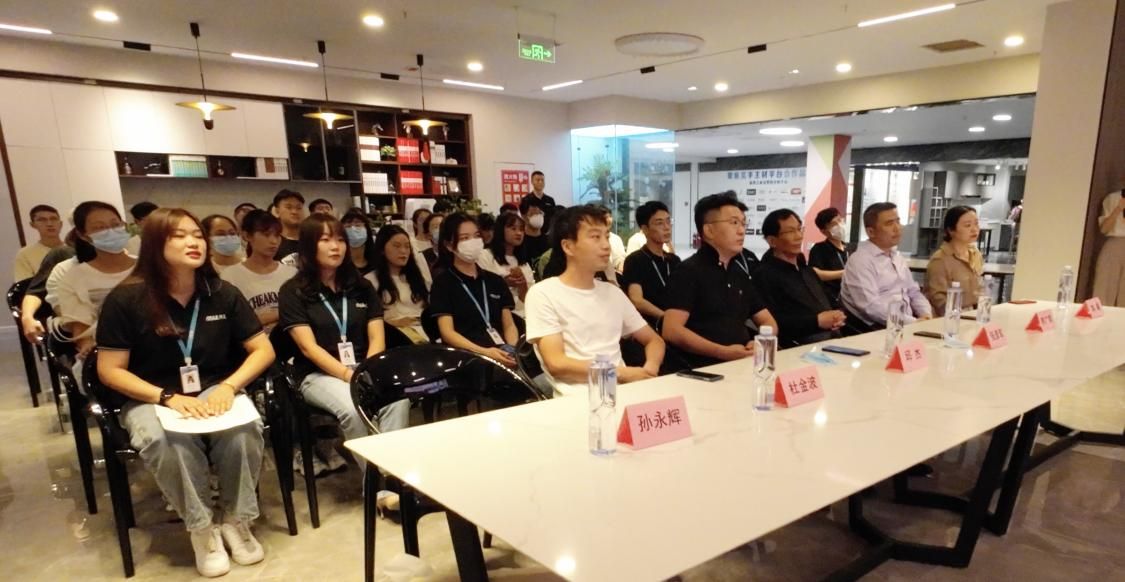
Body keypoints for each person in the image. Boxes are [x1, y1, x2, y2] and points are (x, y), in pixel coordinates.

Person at [96, 207, 275, 577]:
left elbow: (263, 349)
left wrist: (229, 386)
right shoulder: (126, 299)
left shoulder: (222, 293)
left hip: (215, 390)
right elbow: (109, 370)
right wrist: (167, 398)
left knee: (244, 431)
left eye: (197, 235)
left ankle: (236, 521)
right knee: (167, 441)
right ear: (154, 243)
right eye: (179, 235)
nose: (193, 242)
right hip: (152, 396)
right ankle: (202, 529)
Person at [278, 214, 410, 461]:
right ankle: (374, 478)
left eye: (340, 240)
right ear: (308, 245)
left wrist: (367, 371)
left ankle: (392, 469)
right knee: (353, 407)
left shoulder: (361, 287)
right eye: (325, 240)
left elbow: (377, 336)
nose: (335, 246)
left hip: (363, 366)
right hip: (317, 373)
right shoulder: (293, 291)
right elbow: (308, 348)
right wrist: (350, 376)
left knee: (397, 398)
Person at [526, 206, 664, 396]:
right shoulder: (543, 293)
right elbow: (556, 364)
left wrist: (649, 371)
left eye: (606, 236)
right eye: (595, 237)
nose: (606, 245)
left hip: (625, 393)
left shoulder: (612, 293)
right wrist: (621, 374)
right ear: (568, 246)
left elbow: (654, 340)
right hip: (577, 401)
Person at [663, 193, 777, 369]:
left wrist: (759, 342)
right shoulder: (688, 271)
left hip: (742, 363)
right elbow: (671, 330)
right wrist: (723, 352)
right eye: (734, 223)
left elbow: (768, 321)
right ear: (709, 231)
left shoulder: (739, 273)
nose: (741, 231)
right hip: (703, 369)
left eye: (743, 223)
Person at [428, 213, 519, 366]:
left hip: (503, 355)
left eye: (476, 236)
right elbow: (447, 333)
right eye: (464, 238)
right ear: (449, 245)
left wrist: (512, 349)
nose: (473, 242)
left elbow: (509, 325)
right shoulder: (443, 284)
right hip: (466, 358)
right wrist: (484, 352)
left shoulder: (495, 280)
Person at [54, 201, 137, 364]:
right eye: (100, 228)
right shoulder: (74, 278)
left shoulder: (148, 266)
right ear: (83, 235)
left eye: (115, 224)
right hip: (109, 353)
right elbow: (82, 333)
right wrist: (88, 348)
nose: (111, 231)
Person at [755, 209, 846, 346]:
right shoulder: (764, 274)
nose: (798, 236)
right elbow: (772, 322)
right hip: (798, 346)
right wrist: (816, 321)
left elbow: (829, 301)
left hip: (833, 339)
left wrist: (838, 315)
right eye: (790, 231)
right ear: (772, 240)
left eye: (799, 229)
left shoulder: (807, 270)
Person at [841, 202, 933, 326]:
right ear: (871, 232)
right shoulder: (860, 261)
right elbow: (870, 306)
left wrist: (926, 314)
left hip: (908, 324)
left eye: (898, 221)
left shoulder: (897, 256)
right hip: (879, 328)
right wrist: (913, 323)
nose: (897, 228)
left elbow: (914, 292)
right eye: (889, 224)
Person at [220, 210, 297, 334]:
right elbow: (230, 323)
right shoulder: (230, 276)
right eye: (266, 234)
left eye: (277, 235)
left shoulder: (292, 274)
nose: (273, 241)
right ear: (247, 236)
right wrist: (276, 315)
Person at [367, 225, 431, 343]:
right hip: (393, 337)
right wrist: (393, 323)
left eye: (407, 246)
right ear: (382, 249)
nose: (403, 251)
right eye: (396, 246)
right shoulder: (370, 281)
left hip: (425, 333)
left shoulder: (418, 278)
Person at [622, 201, 680, 329]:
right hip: (649, 326)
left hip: (676, 323)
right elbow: (637, 300)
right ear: (645, 229)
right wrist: (665, 317)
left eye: (668, 221)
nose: (667, 227)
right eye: (659, 223)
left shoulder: (674, 260)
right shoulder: (635, 260)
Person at [924, 206, 984, 315]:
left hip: (975, 313)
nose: (974, 229)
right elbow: (938, 300)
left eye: (976, 224)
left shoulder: (975, 253)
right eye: (967, 225)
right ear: (951, 230)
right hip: (952, 316)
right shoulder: (940, 260)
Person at [477, 212, 535, 317]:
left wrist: (522, 286)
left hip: (523, 315)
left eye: (521, 229)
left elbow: (529, 300)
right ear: (500, 230)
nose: (519, 233)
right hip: (496, 314)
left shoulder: (524, 264)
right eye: (513, 228)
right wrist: (504, 283)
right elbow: (482, 289)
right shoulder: (485, 256)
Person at [808, 207, 850, 302]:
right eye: (834, 224)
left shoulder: (850, 248)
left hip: (852, 298)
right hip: (833, 299)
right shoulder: (819, 249)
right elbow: (815, 273)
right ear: (824, 231)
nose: (840, 225)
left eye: (840, 220)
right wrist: (844, 273)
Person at [14, 204, 63, 281]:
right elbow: (25, 285)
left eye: (53, 219)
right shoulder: (25, 255)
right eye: (42, 220)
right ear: (33, 225)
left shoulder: (74, 248)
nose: (49, 224)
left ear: (61, 223)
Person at [1093, 188, 1125, 306]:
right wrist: (1118, 209)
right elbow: (1104, 229)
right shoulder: (1112, 198)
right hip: (1114, 245)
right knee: (1104, 287)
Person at [341, 209, 377, 276]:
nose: (353, 228)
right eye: (348, 224)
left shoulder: (377, 263)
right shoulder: (338, 265)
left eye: (357, 224)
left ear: (367, 229)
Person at [272, 189, 305, 262]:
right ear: (277, 211)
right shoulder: (272, 242)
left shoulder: (311, 240)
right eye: (289, 207)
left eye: (299, 208)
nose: (294, 212)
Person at [518, 194, 550, 263]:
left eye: (540, 213)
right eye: (534, 214)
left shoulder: (550, 241)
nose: (538, 216)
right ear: (523, 216)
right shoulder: (520, 242)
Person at [600, 205, 628, 274]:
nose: (609, 220)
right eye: (605, 217)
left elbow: (620, 261)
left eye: (610, 216)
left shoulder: (616, 239)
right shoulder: (593, 239)